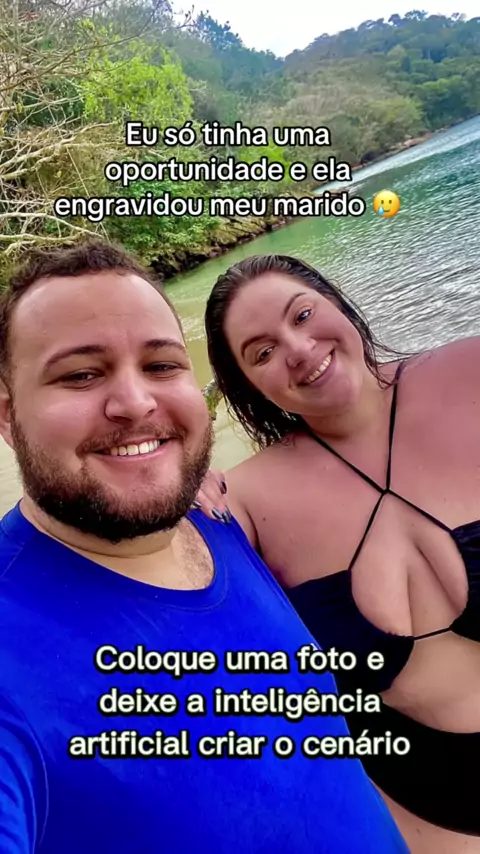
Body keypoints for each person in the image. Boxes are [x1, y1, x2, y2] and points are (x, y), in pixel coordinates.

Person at [0, 240, 409, 854]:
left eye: (162, 365)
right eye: (80, 374)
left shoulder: (219, 522)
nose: (136, 403)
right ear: (9, 417)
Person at [198, 253, 480, 854]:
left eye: (302, 315)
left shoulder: (469, 374)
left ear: (338, 304)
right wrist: (176, 475)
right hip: (426, 811)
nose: (298, 349)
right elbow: (152, 589)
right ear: (249, 386)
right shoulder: (242, 500)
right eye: (262, 352)